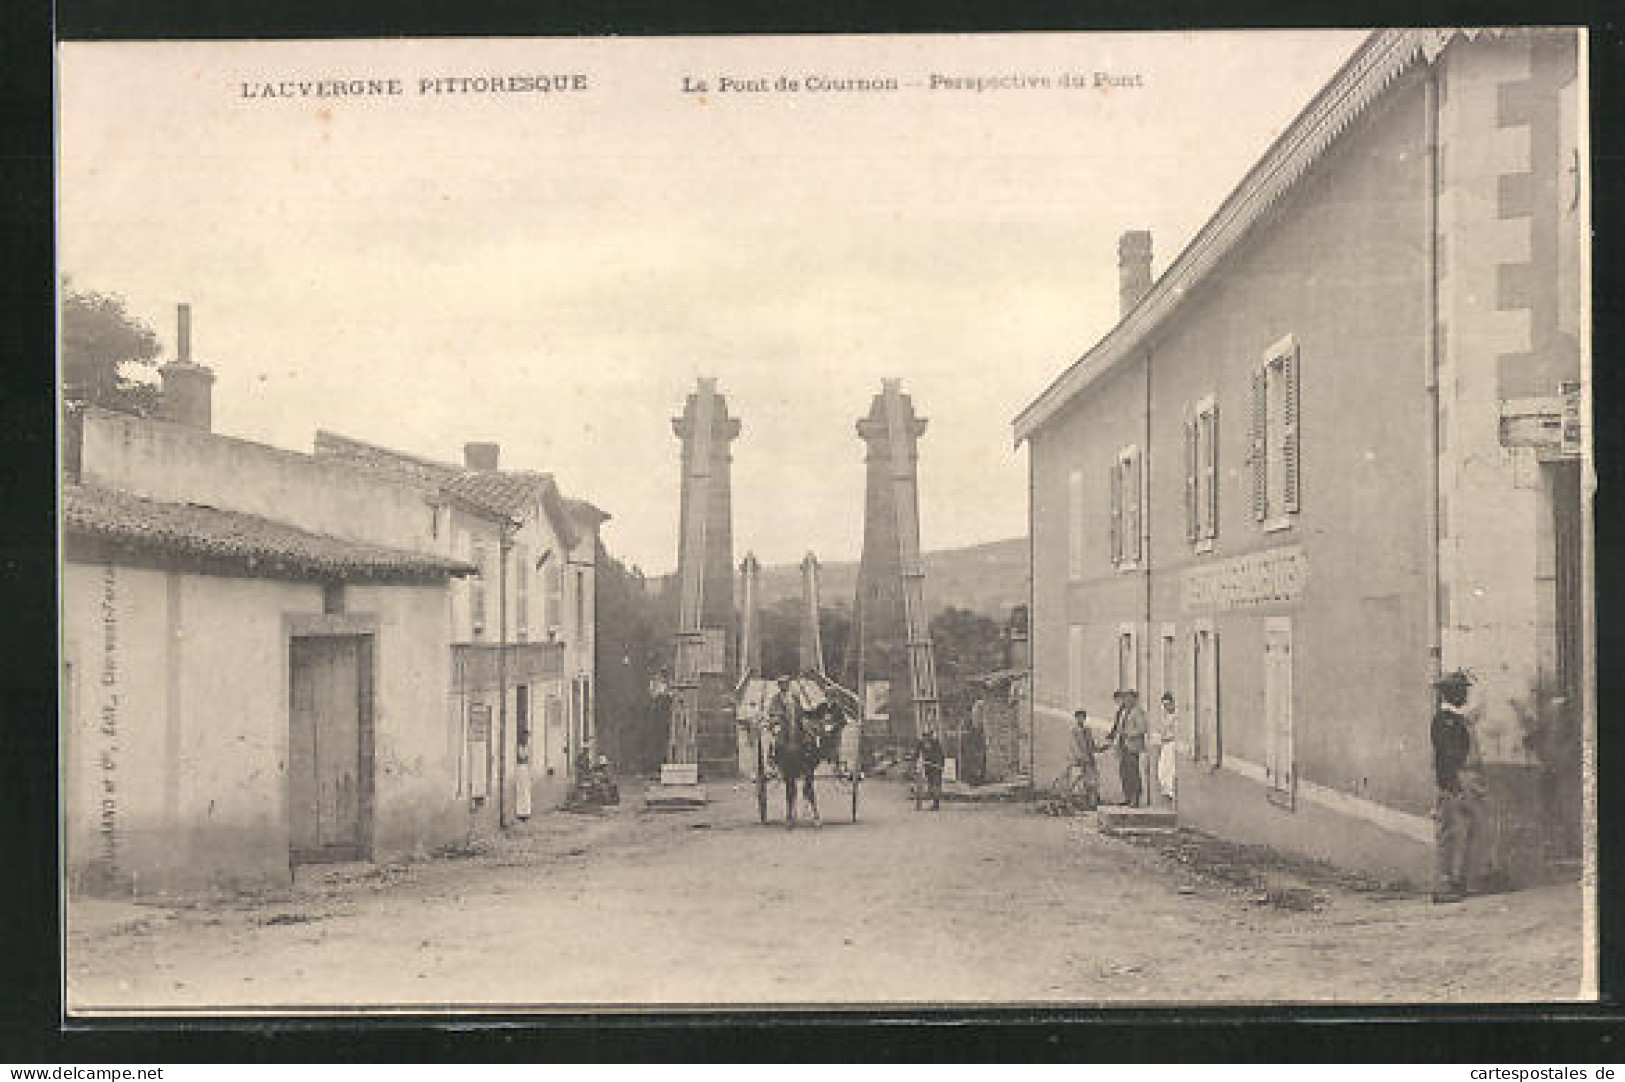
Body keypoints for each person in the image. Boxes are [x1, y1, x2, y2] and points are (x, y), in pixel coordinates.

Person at [1431, 669, 1484, 903]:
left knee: (1466, 831)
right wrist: (1453, 787)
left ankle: (1459, 882)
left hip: (1465, 781)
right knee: (1449, 833)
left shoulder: (1458, 720)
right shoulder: (1444, 721)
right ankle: (1445, 886)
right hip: (1454, 782)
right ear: (1450, 694)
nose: (1465, 695)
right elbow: (1446, 757)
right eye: (1461, 691)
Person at [1107, 689, 1147, 807]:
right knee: (1123, 772)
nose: (1127, 700)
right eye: (1125, 698)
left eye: (1129, 698)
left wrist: (1128, 734)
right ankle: (1128, 796)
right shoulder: (1124, 712)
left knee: (1133, 772)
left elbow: (1142, 729)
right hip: (1123, 746)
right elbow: (1118, 727)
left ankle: (1135, 798)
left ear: (1135, 699)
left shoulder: (1138, 712)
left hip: (1133, 746)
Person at [1067, 709, 1101, 809]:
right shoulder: (1073, 731)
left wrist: (1101, 748)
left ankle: (1092, 803)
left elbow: (1092, 746)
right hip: (1079, 761)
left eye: (1082, 717)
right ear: (1076, 718)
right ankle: (1080, 804)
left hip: (1090, 760)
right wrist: (1080, 758)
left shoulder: (1088, 730)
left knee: (1092, 782)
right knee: (1079, 782)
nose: (1081, 719)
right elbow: (1074, 746)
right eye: (1079, 717)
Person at [1155, 692, 1179, 806]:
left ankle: (1171, 794)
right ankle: (1167, 793)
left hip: (1172, 745)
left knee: (1170, 770)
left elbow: (1175, 733)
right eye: (1164, 705)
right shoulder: (1165, 717)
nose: (1166, 707)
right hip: (1165, 745)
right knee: (1162, 771)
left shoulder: (1175, 717)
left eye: (1168, 704)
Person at [914, 726, 946, 810]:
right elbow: (916, 754)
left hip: (936, 766)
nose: (926, 738)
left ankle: (936, 804)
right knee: (931, 784)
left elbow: (941, 755)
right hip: (928, 767)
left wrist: (940, 765)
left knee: (936, 784)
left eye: (928, 735)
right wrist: (914, 759)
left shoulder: (935, 743)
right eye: (924, 736)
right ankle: (932, 802)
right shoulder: (921, 743)